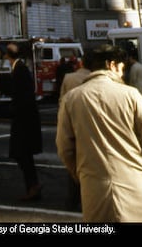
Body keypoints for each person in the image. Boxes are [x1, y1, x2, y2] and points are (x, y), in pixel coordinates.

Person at [56, 43, 142, 223]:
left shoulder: (71, 98)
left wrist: (81, 173)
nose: (122, 73)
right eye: (121, 68)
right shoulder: (132, 95)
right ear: (111, 65)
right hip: (135, 181)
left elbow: (65, 148)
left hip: (94, 184)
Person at [5, 42, 43, 201]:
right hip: (25, 119)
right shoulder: (20, 68)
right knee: (23, 154)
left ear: (7, 56)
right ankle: (32, 185)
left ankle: (33, 186)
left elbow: (22, 96)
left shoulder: (19, 70)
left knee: (23, 154)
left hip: (23, 121)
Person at [57, 50, 92, 211]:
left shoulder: (69, 78)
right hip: (92, 125)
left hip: (73, 123)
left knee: (74, 162)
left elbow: (62, 101)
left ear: (81, 63)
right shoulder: (99, 80)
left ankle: (72, 199)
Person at [124, 43, 142, 108]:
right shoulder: (141, 66)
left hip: (140, 90)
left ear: (131, 58)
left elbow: (133, 80)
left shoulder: (134, 67)